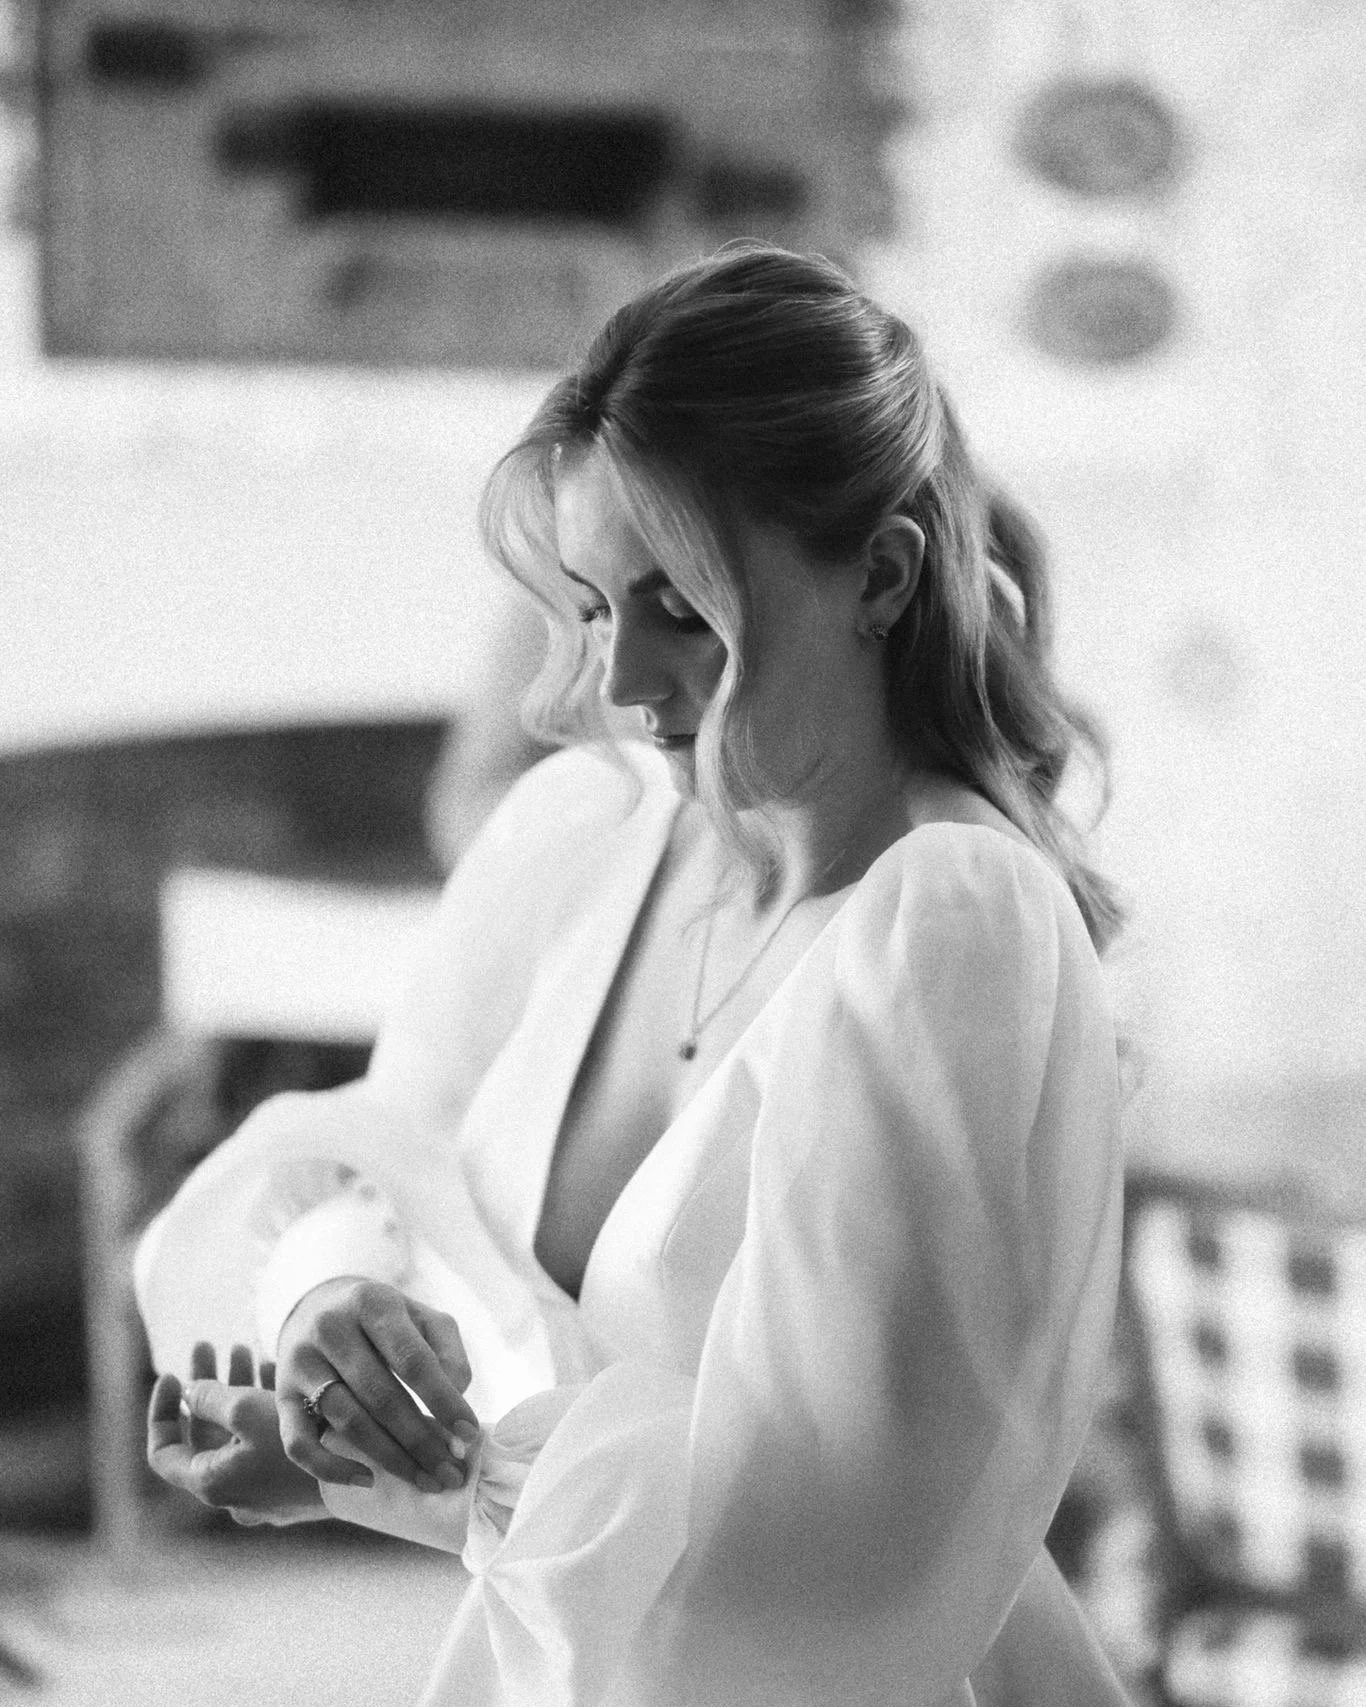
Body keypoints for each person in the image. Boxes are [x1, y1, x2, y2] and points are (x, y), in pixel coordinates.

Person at [137, 243, 1131, 1707]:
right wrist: (328, 1326)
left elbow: (824, 1549)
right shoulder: (591, 832)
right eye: (594, 606)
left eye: (680, 605)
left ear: (879, 574)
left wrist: (422, 1488)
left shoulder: (949, 927)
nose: (614, 683)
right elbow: (382, 1146)